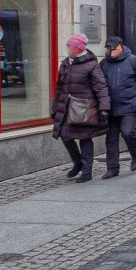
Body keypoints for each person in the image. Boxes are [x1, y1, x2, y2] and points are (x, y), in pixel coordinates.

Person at [51, 34, 111, 183]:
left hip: (84, 108)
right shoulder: (65, 64)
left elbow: (101, 87)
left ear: (78, 49)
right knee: (65, 135)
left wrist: (104, 107)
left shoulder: (92, 65)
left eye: (70, 46)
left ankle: (87, 171)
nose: (68, 49)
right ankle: (77, 162)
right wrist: (55, 106)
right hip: (66, 107)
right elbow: (59, 87)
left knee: (85, 138)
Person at [100, 36, 136, 179]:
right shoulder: (104, 64)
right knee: (111, 138)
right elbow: (98, 84)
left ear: (121, 47)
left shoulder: (133, 61)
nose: (112, 50)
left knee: (127, 131)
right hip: (110, 107)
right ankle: (112, 168)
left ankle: (135, 153)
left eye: (114, 48)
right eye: (109, 48)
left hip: (129, 105)